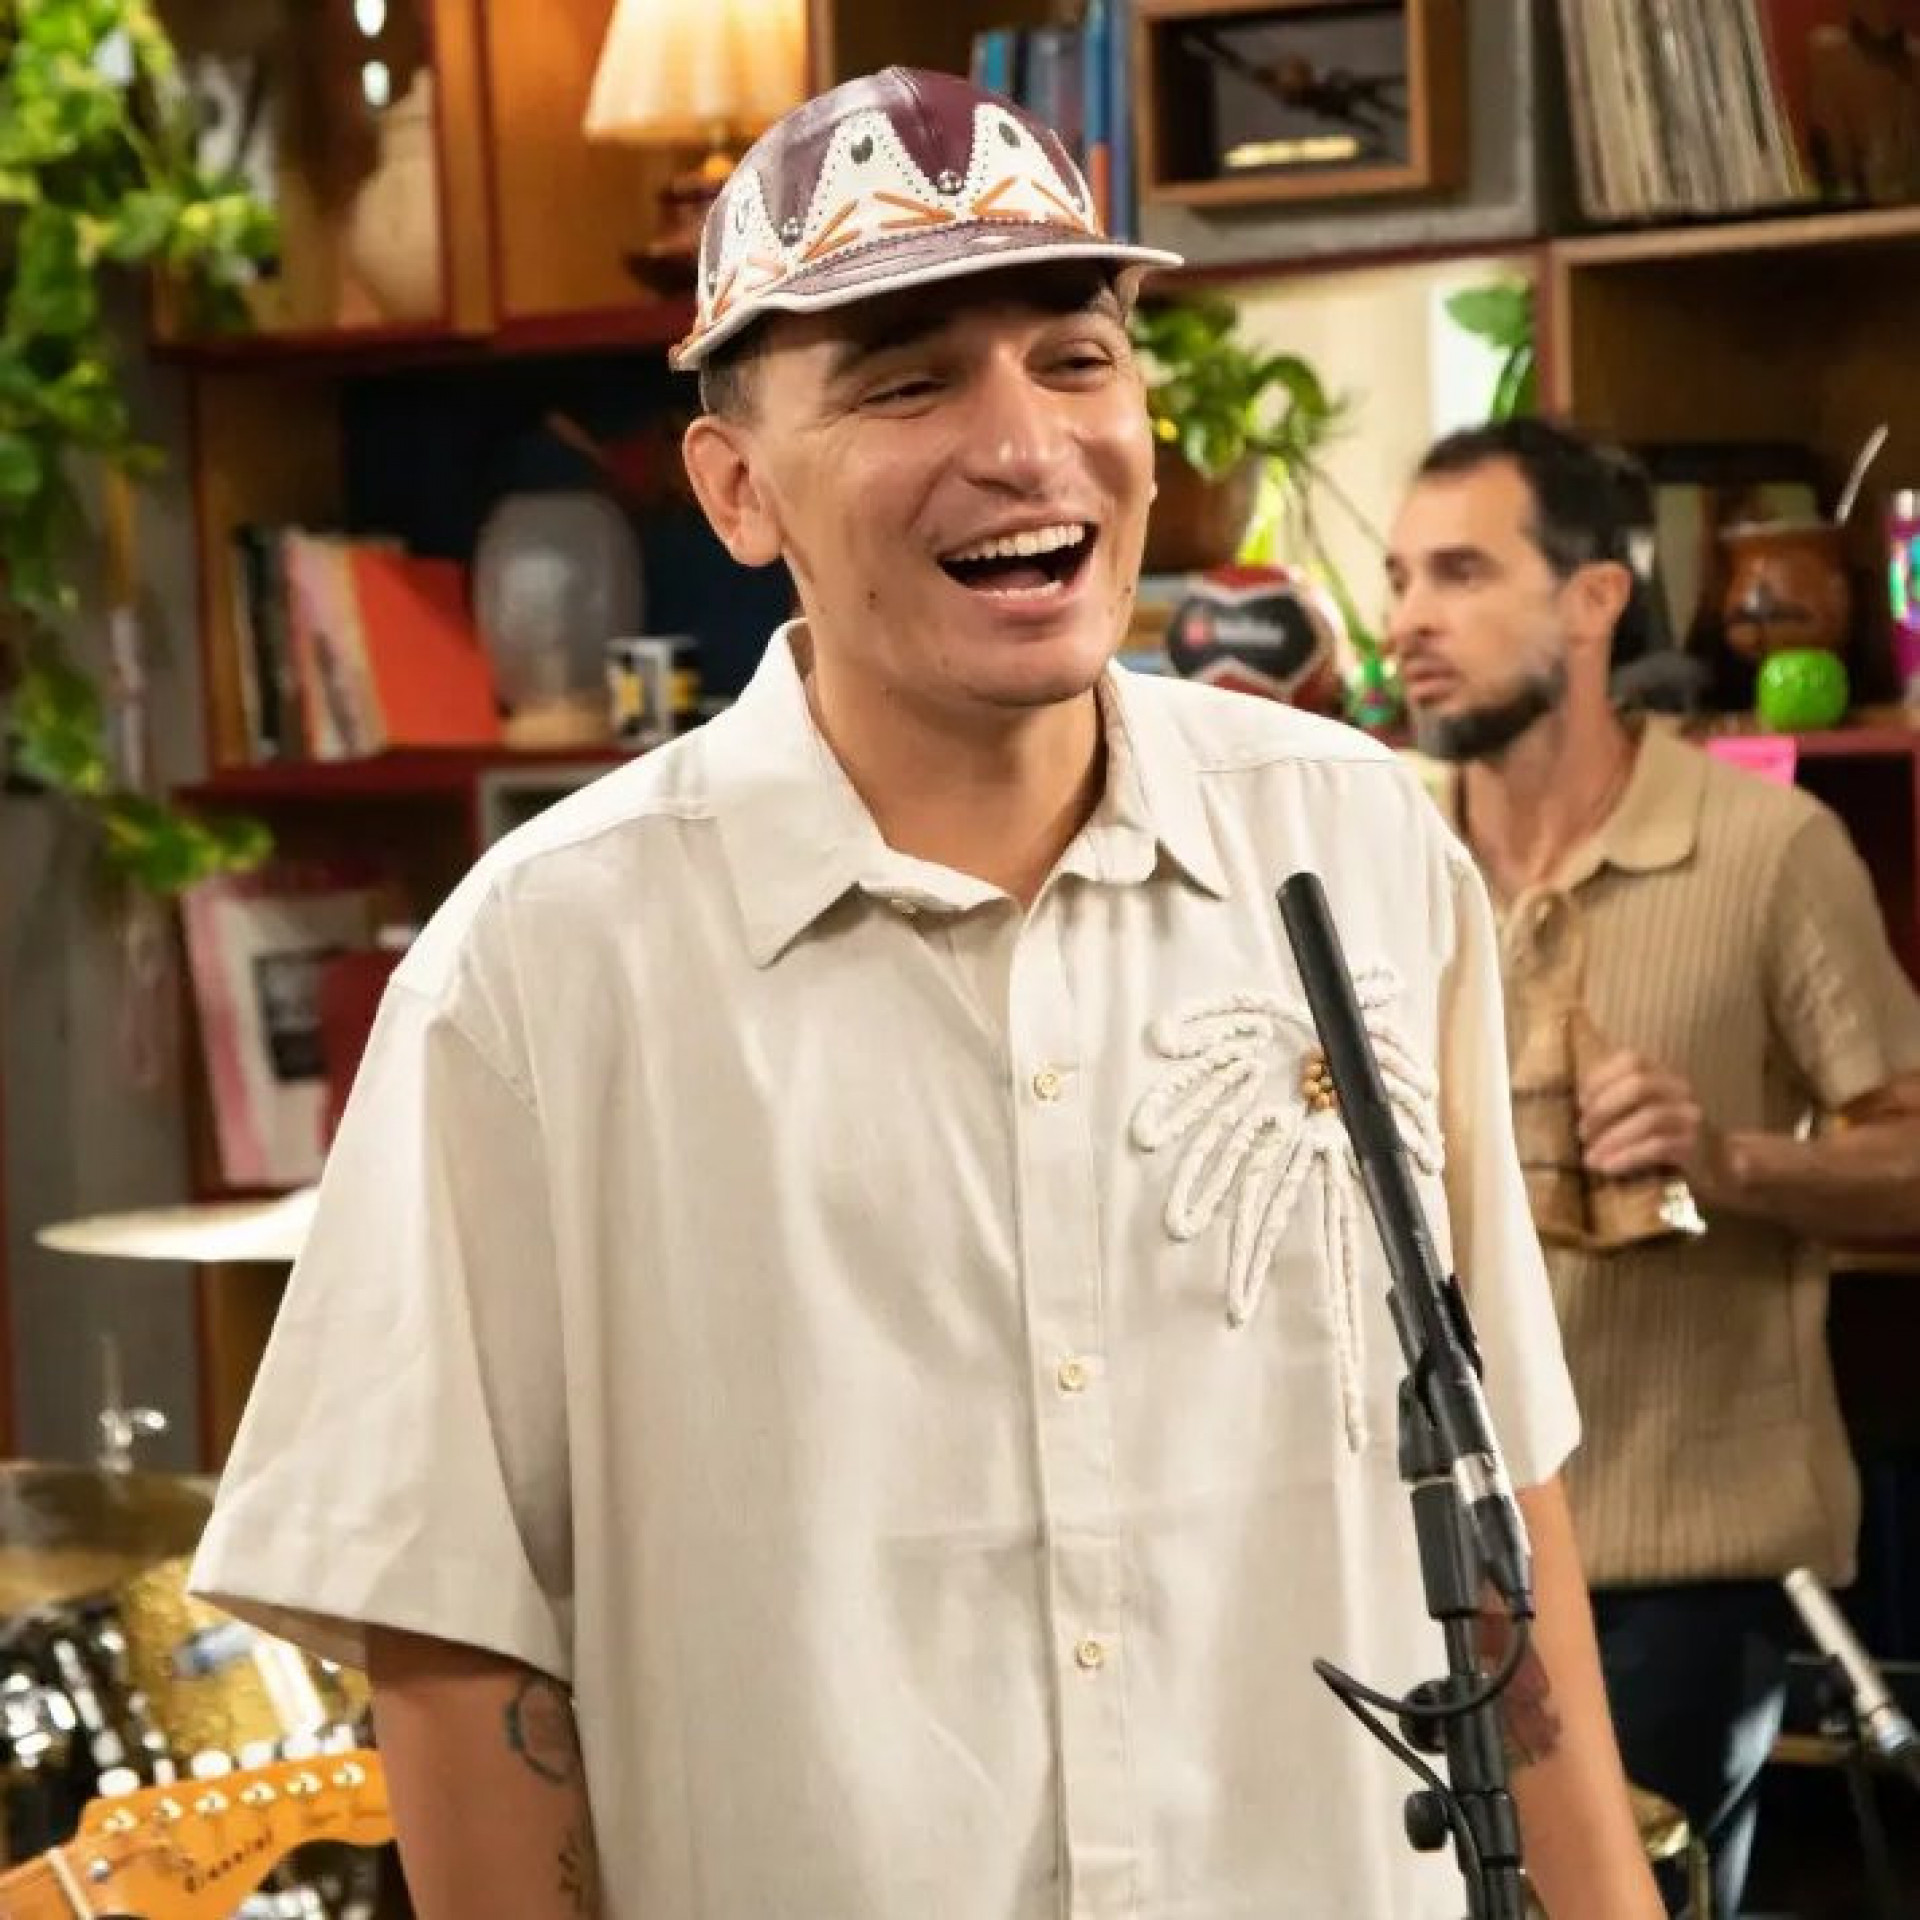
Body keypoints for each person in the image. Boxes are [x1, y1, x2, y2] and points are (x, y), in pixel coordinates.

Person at [191, 71, 1660, 1918]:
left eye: (1075, 359)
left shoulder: (1358, 857)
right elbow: (460, 1663)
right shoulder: (543, 972)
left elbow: (1508, 1517)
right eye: (905, 381)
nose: (1028, 446)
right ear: (734, 488)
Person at [1385, 415, 1920, 1917]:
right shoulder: (1370, 855)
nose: (1407, 619)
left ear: (1595, 598)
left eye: (1461, 573)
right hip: (1419, 1565)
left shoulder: (1770, 850)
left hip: (1686, 1576)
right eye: (1398, 576)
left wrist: (1726, 1154)